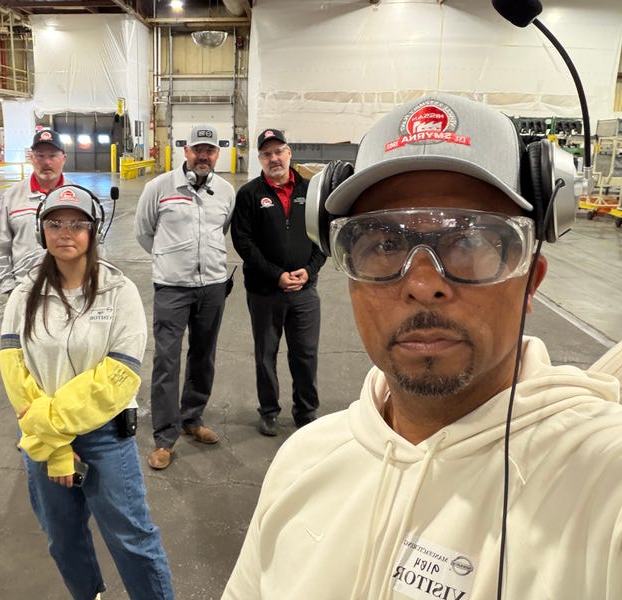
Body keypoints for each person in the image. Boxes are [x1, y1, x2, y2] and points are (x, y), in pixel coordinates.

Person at [222, 93, 622, 599]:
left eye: (471, 239)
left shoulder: (600, 484)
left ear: (530, 280)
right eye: (384, 243)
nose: (422, 283)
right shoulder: (303, 462)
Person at [0, 184, 174, 600]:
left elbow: (119, 375)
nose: (66, 233)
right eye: (55, 223)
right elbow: (13, 366)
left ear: (94, 231)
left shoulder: (119, 291)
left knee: (131, 539)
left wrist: (51, 425)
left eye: (77, 224)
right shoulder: (24, 294)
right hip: (43, 441)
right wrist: (56, 444)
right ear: (41, 230)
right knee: (63, 538)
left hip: (104, 436)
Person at [134, 124, 235, 470]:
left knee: (203, 355)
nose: (203, 156)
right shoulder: (159, 187)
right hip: (172, 287)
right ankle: (165, 436)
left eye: (210, 150)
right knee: (167, 360)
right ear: (186, 151)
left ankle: (192, 418)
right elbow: (144, 232)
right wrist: (170, 260)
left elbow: (222, 229)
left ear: (217, 154)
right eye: (197, 149)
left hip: (213, 286)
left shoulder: (225, 191)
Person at [231, 128, 326, 436]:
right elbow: (243, 242)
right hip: (264, 292)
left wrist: (309, 271)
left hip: (305, 291)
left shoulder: (311, 191)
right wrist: (276, 275)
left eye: (279, 151)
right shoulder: (249, 194)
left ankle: (306, 411)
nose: (274, 158)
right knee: (265, 354)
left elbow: (322, 237)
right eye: (267, 154)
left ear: (289, 153)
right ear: (260, 159)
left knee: (305, 354)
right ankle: (269, 410)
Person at [0, 129, 72, 293]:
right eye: (40, 156)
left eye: (52, 156)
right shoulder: (12, 196)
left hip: (69, 288)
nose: (46, 162)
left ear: (63, 159)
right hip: (25, 288)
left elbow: (95, 245)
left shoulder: (78, 195)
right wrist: (8, 287)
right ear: (31, 158)